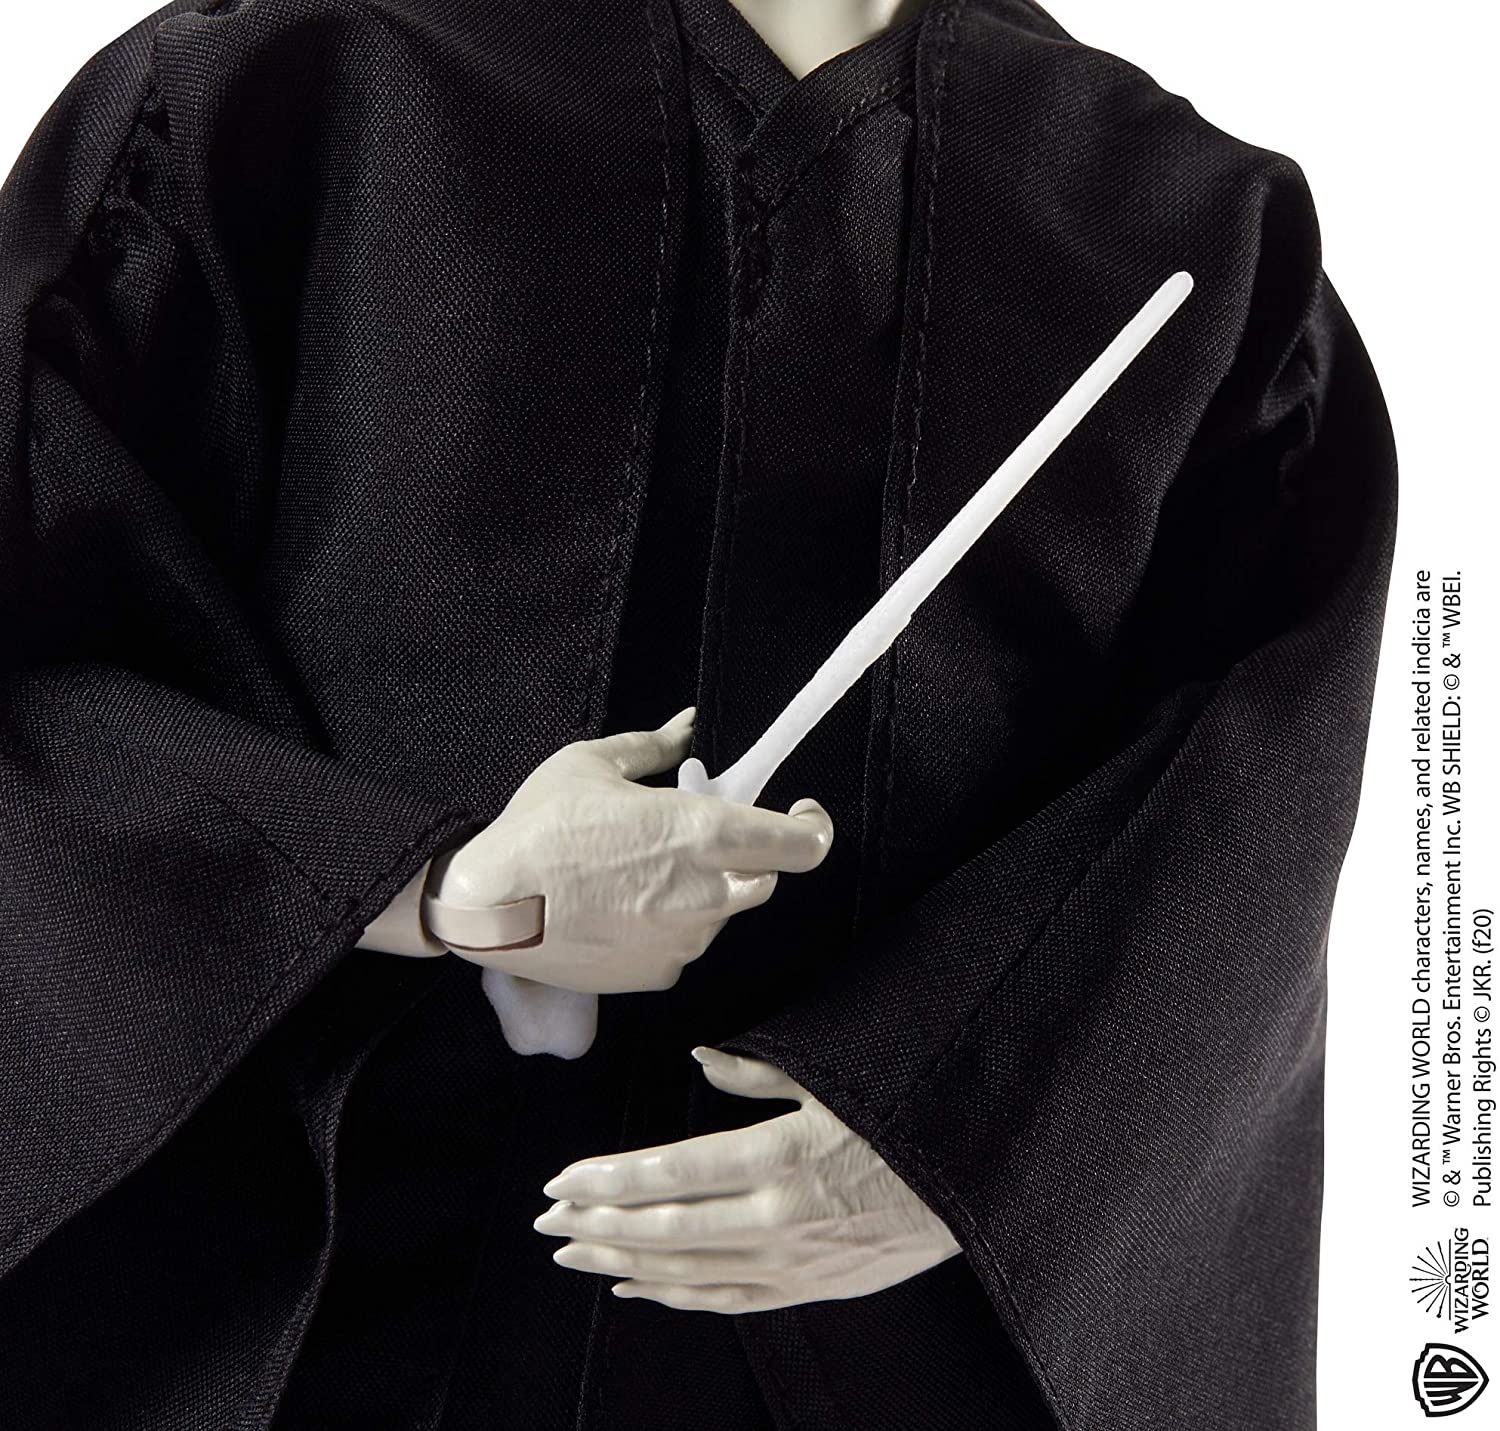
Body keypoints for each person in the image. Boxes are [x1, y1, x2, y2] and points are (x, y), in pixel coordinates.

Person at [0, 1, 1396, 1427]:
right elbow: (32, 645)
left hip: (880, 1352)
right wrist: (435, 885)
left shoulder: (1188, 223)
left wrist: (981, 1129)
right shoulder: (282, 87)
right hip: (325, 1323)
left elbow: (1242, 800)